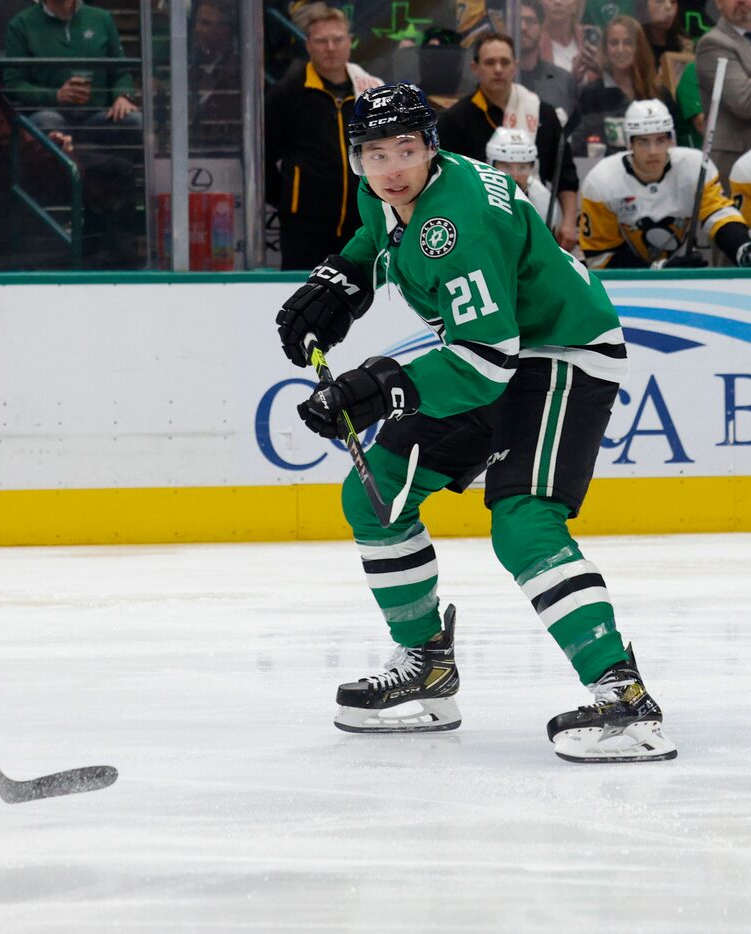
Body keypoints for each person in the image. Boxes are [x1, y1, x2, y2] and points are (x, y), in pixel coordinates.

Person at [274, 82, 676, 763]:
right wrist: (340, 281)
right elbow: (375, 235)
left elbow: (489, 362)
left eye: (407, 149)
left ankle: (626, 700)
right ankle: (427, 668)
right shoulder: (389, 195)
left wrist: (378, 389)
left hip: (562, 354)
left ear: (432, 148)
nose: (392, 167)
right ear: (357, 162)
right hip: (493, 352)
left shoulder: (455, 225)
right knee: (375, 493)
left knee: (523, 521)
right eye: (375, 154)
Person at [0, 0, 137, 268]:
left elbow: (2, 137)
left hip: (9, 165)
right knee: (117, 169)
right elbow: (3, 141)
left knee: (102, 164)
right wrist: (54, 150)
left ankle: (94, 247)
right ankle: (112, 254)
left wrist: (46, 142)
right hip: (15, 174)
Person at [436, 32, 580, 250]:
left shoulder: (542, 113)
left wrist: (568, 223)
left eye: (504, 62)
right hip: (476, 233)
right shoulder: (454, 120)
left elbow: (566, 176)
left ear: (515, 66)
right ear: (475, 68)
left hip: (536, 227)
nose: (498, 69)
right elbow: (443, 185)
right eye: (490, 62)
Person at [263, 4, 380, 270]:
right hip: (304, 229)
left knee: (363, 295)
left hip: (362, 223)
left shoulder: (370, 90)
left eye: (337, 39)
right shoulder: (288, 93)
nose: (330, 47)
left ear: (349, 42)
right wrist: (288, 200)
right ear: (308, 45)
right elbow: (265, 155)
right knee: (303, 299)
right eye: (321, 41)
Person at [579, 99, 751, 267]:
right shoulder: (602, 181)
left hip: (684, 271)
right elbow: (600, 257)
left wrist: (741, 248)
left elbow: (719, 214)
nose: (653, 151)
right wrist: (658, 268)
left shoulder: (695, 167)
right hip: (626, 285)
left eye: (660, 141)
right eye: (643, 142)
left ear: (671, 140)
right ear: (629, 143)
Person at [3, 0, 142, 142]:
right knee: (47, 121)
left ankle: (115, 164)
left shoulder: (101, 19)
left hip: (97, 117)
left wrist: (123, 96)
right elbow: (14, 84)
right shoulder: (21, 24)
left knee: (135, 121)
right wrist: (56, 96)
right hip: (50, 114)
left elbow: (121, 72)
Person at [574, 16, 667, 155]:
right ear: (605, 48)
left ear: (638, 47)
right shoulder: (591, 94)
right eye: (614, 43)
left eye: (628, 43)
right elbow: (580, 147)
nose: (620, 49)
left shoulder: (658, 92)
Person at [695, 0, 751, 196]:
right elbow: (744, 103)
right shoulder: (714, 43)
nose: (742, 1)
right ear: (718, 3)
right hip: (735, 162)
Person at [486, 127, 562, 231]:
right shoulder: (475, 199)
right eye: (507, 167)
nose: (515, 177)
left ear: (532, 167)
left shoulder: (543, 202)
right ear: (491, 166)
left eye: (522, 167)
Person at [188, 0, 241, 150]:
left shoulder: (236, 73)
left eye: (206, 23)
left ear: (225, 30)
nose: (197, 29)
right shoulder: (195, 68)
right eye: (197, 22)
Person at [516, 0, 579, 122]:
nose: (523, 27)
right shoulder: (496, 78)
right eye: (518, 21)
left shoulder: (562, 80)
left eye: (529, 21)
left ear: (541, 27)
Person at [538, 0, 597, 84]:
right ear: (542, 4)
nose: (557, 2)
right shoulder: (534, 44)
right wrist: (572, 78)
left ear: (575, 5)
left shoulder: (591, 37)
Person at [643, 0, 692, 69]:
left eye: (673, 2)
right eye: (659, 1)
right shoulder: (631, 42)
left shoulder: (684, 43)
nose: (668, 7)